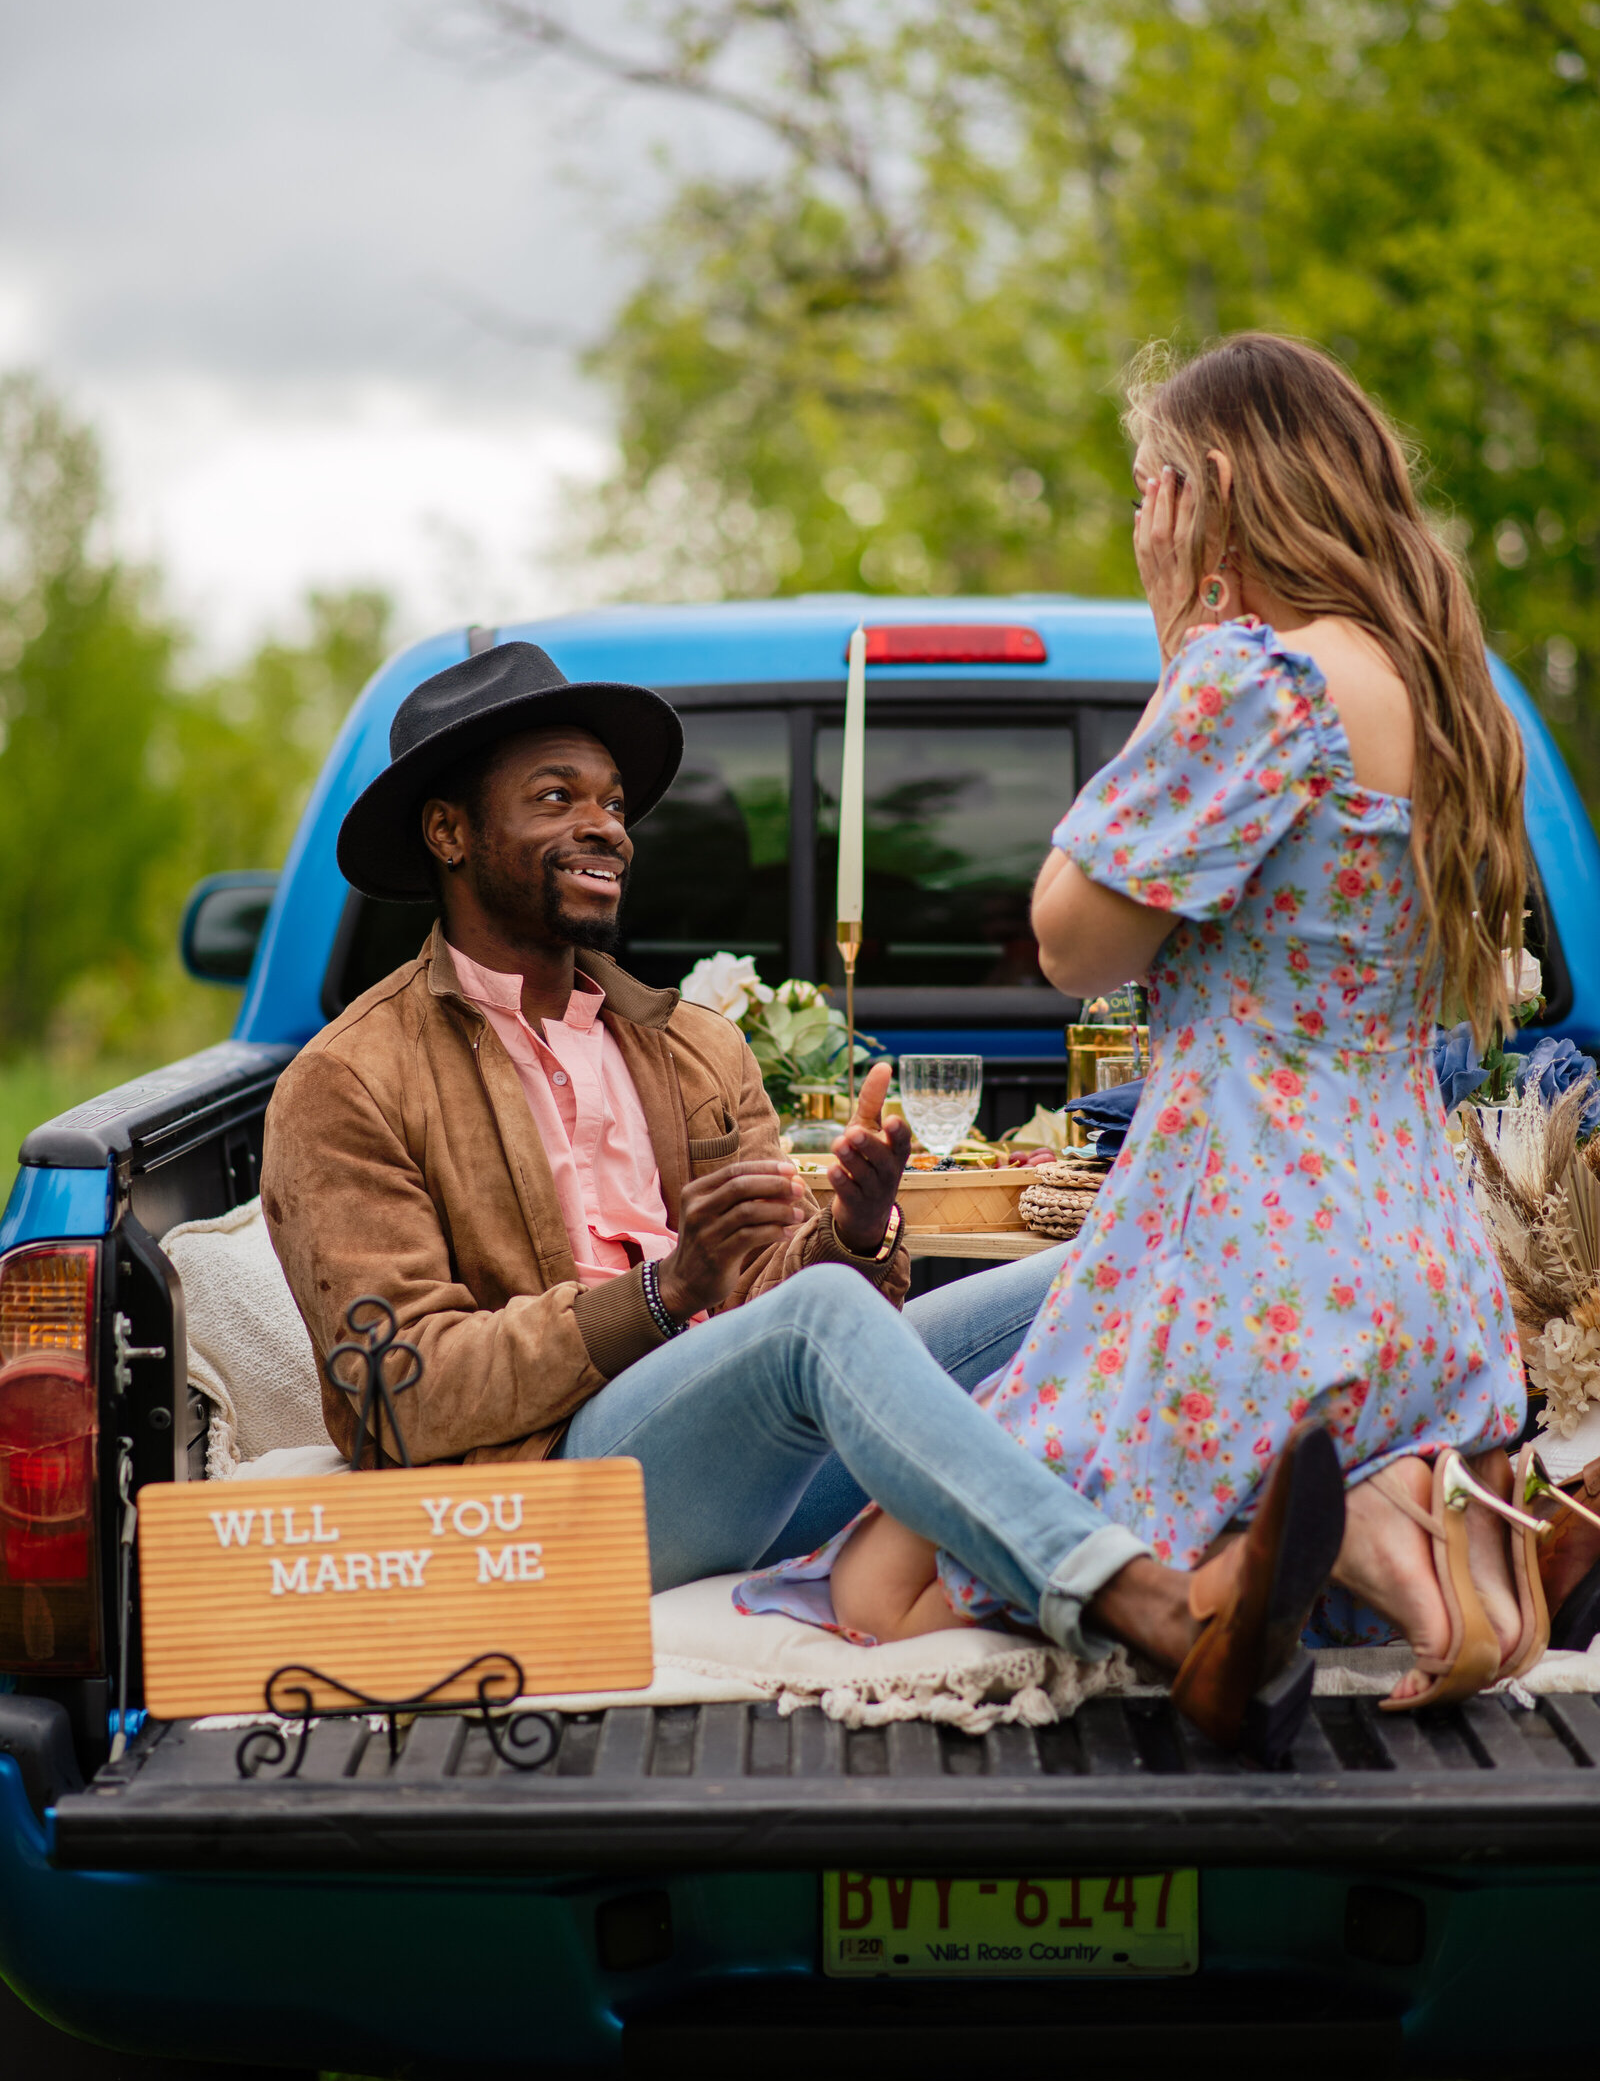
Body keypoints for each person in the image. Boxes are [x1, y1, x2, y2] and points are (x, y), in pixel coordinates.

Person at [260, 636, 1345, 1756]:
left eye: (614, 802)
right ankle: (1155, 1607)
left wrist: (854, 1234)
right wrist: (665, 1293)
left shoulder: (688, 1044)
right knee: (816, 1324)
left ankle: (1321, 1574)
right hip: (552, 1505)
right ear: (448, 833)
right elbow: (398, 1397)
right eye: (556, 797)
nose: (607, 827)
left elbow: (780, 1301)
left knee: (1109, 1259)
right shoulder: (348, 1082)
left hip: (757, 1467)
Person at [745, 332, 1535, 1712]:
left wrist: (1184, 649)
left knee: (879, 1590)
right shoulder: (1452, 696)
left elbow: (1071, 938)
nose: (1135, 526)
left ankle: (1367, 1523)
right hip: (1419, 1274)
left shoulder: (1257, 681)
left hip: (1243, 1264)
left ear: (1209, 488)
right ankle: (1407, 1532)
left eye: (1145, 489)